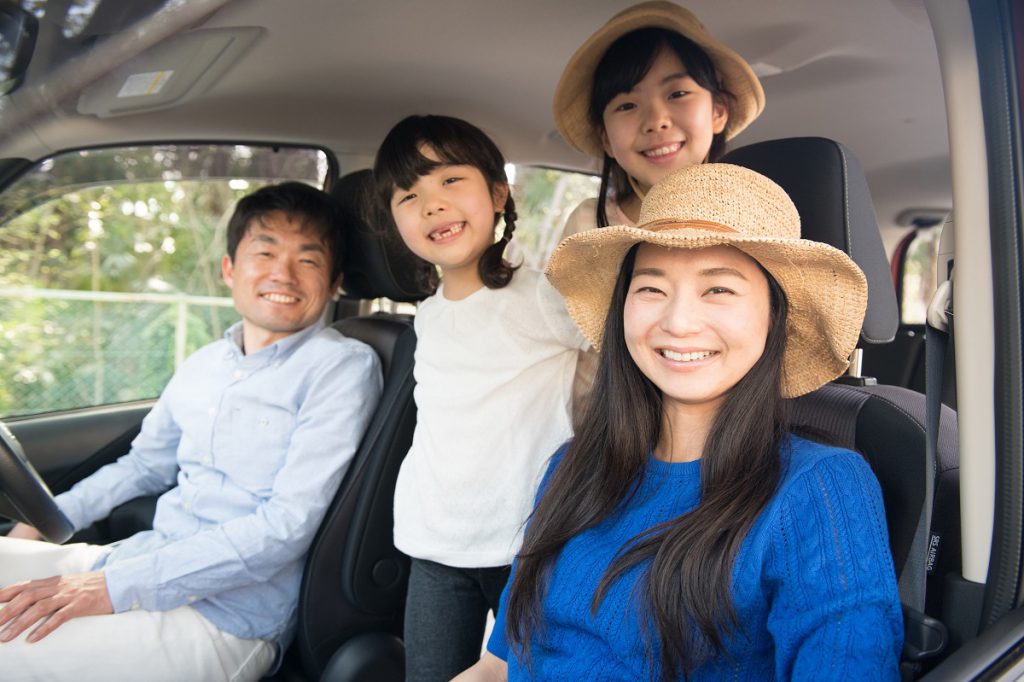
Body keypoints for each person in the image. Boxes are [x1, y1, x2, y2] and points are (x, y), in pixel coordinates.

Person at [457, 163, 904, 681]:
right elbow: (496, 667)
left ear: (773, 315)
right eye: (651, 288)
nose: (678, 322)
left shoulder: (820, 490)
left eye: (718, 290)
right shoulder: (571, 467)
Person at [0, 182, 383, 682]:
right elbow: (142, 466)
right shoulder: (206, 363)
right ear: (230, 269)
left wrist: (113, 587)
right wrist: (41, 525)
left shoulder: (340, 367)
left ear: (334, 283)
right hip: (141, 560)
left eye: (307, 261)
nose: (282, 274)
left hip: (226, 618)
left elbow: (285, 527)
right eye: (264, 252)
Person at [374, 114, 588, 682]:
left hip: (525, 543)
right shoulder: (428, 316)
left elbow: (615, 347)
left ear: (497, 194)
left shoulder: (542, 296)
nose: (432, 205)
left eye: (449, 181)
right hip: (435, 542)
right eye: (409, 195)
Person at [555, 0, 765, 233]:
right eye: (627, 106)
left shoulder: (752, 220)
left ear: (718, 112)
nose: (656, 121)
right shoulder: (587, 225)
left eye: (678, 94)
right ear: (606, 140)